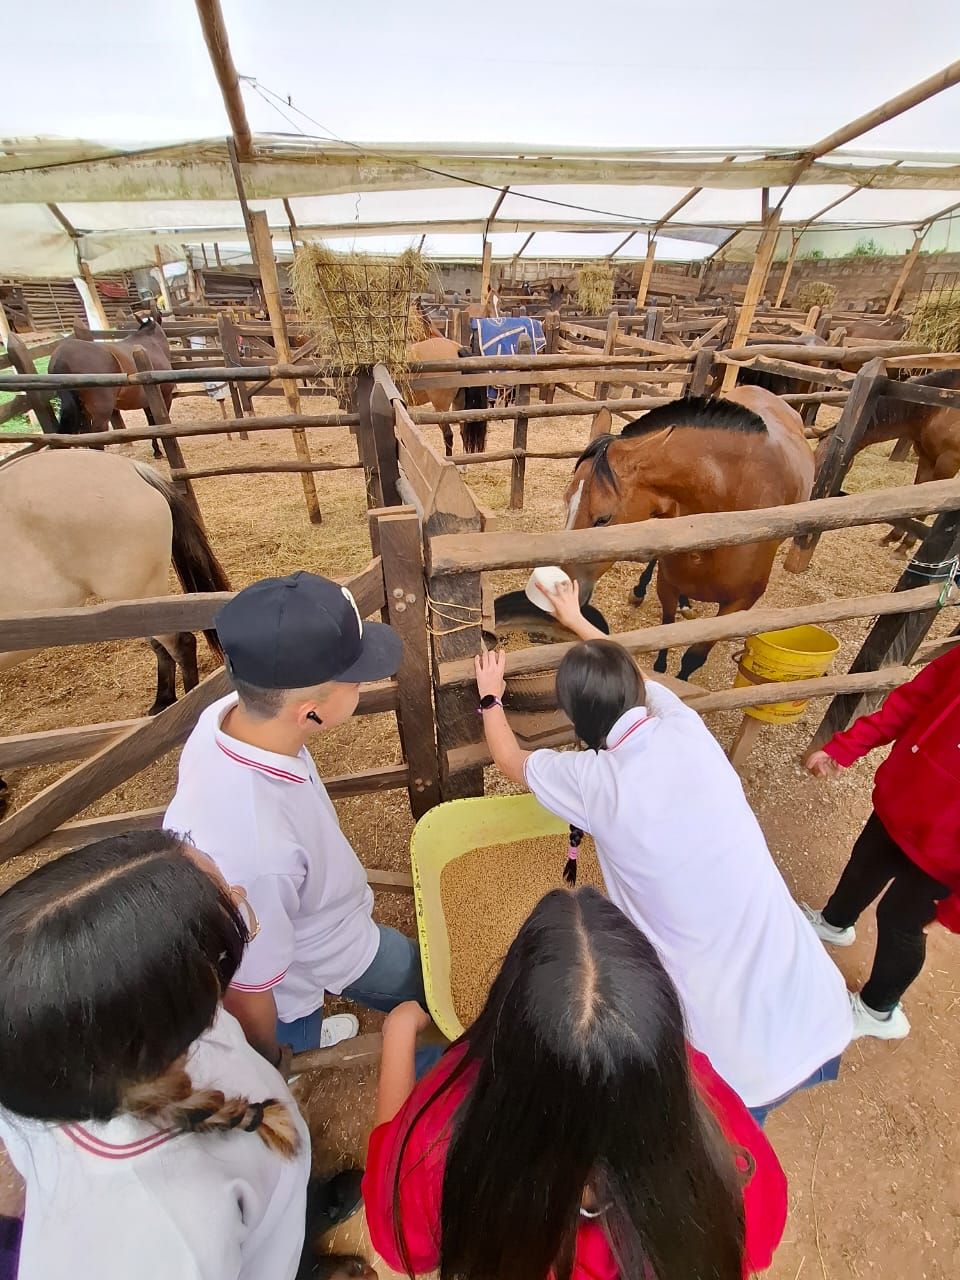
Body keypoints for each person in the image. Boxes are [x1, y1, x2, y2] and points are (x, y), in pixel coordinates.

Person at [473, 579, 852, 1122]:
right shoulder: (684, 726)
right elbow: (638, 673)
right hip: (810, 997)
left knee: (727, 1139)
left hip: (737, 1054)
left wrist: (490, 695)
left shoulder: (596, 782)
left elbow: (512, 761)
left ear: (579, 722)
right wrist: (576, 620)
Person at [363, 888, 787, 1279]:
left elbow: (397, 1234)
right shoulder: (730, 1170)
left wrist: (399, 1032)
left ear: (508, 1021)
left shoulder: (439, 1150)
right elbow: (753, 1245)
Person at [0, 829, 311, 1280]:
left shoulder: (52, 1056)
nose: (240, 893)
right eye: (233, 910)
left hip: (272, 1208)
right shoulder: (163, 1236)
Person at [164, 572, 429, 1067]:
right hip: (319, 952)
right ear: (310, 712)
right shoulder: (256, 849)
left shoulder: (231, 715)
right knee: (424, 989)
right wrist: (268, 1062)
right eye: (356, 678)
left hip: (293, 928)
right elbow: (248, 992)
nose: (364, 683)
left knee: (297, 1016)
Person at [802, 643, 960, 1040]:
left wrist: (955, 910)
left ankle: (879, 1009)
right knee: (864, 865)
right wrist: (847, 747)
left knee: (901, 921)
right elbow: (911, 702)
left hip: (946, 853)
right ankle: (835, 922)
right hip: (901, 801)